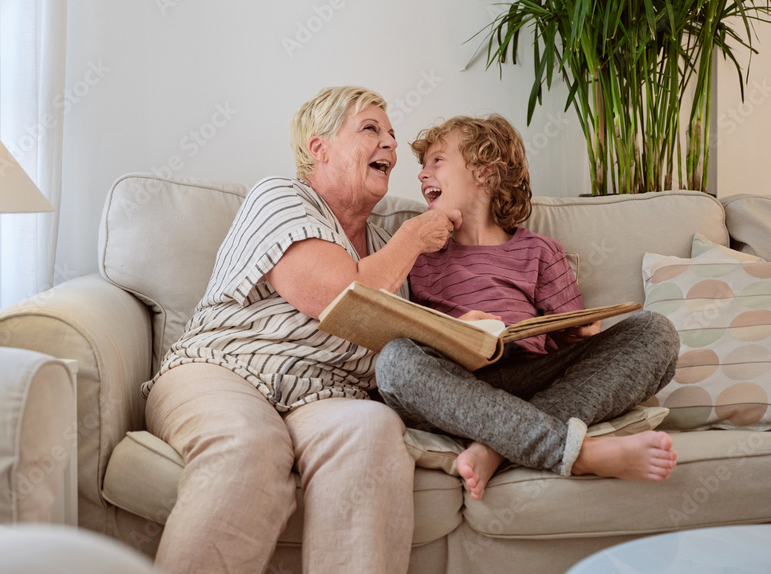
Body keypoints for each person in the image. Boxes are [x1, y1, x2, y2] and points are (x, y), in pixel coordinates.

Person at [142, 86, 460, 574]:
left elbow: (402, 347)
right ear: (319, 148)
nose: (391, 146)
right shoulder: (282, 197)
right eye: (371, 129)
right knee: (251, 445)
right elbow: (339, 297)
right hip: (223, 371)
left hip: (326, 395)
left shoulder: (383, 244)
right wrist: (415, 235)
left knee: (372, 428)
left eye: (393, 136)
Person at [375, 114, 682, 502]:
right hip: (455, 389)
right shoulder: (415, 249)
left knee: (654, 331)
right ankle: (574, 452)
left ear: (485, 173)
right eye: (422, 166)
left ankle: (496, 447)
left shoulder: (540, 251)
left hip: (532, 379)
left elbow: (575, 350)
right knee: (394, 360)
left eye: (437, 160)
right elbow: (395, 328)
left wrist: (578, 335)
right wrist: (451, 329)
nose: (422, 174)